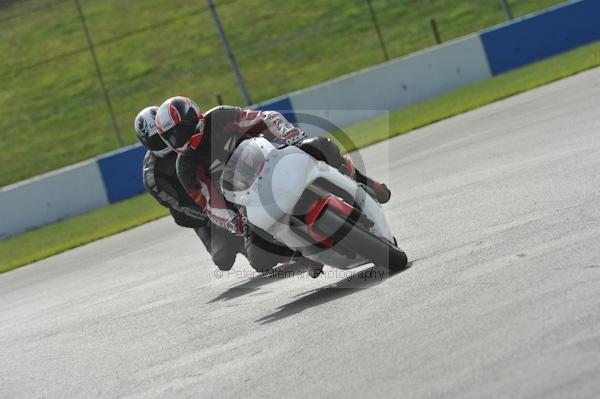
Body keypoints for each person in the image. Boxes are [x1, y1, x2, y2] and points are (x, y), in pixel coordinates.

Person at [154, 96, 391, 273]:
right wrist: (234, 221)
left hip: (275, 161)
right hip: (247, 199)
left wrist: (292, 136)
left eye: (181, 131)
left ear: (194, 118)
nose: (180, 140)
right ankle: (304, 253)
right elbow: (209, 203)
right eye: (172, 136)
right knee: (259, 259)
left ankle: (362, 181)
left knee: (319, 144)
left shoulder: (220, 116)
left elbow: (264, 119)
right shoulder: (184, 166)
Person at [134, 106, 244, 271]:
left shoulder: (190, 140)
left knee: (251, 241)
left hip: (221, 192)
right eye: (156, 139)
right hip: (199, 216)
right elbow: (179, 205)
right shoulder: (152, 174)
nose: (164, 141)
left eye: (164, 134)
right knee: (223, 259)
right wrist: (214, 215)